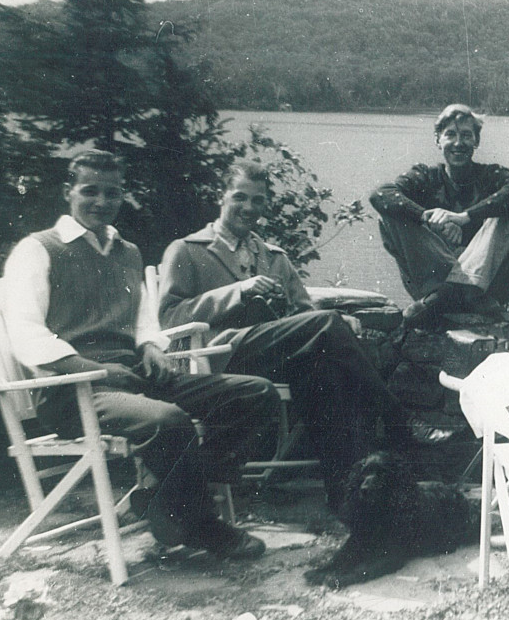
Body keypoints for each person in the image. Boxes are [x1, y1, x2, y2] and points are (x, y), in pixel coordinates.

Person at [2, 150, 276, 559]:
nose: (101, 202)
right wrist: (95, 370)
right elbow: (25, 334)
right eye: (89, 191)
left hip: (134, 380)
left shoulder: (126, 251)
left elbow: (145, 320)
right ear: (67, 192)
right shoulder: (38, 249)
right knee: (168, 420)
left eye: (112, 193)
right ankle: (201, 525)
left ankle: (166, 502)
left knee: (254, 394)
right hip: (70, 390)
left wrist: (150, 347)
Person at [159, 161, 401, 516]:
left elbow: (305, 316)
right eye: (239, 197)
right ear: (220, 197)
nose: (249, 208)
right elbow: (168, 317)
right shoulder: (188, 250)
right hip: (220, 355)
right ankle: (393, 412)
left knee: (327, 374)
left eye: (258, 201)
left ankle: (344, 500)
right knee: (330, 330)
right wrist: (238, 291)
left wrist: (339, 320)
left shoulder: (274, 257)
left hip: (278, 356)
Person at [370, 104, 509, 327]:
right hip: (434, 284)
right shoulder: (425, 177)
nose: (458, 143)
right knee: (391, 213)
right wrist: (427, 218)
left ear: (476, 141)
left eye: (466, 135)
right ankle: (452, 290)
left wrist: (465, 216)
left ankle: (457, 291)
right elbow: (380, 194)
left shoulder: (490, 175)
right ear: (438, 140)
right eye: (450, 135)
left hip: (485, 291)